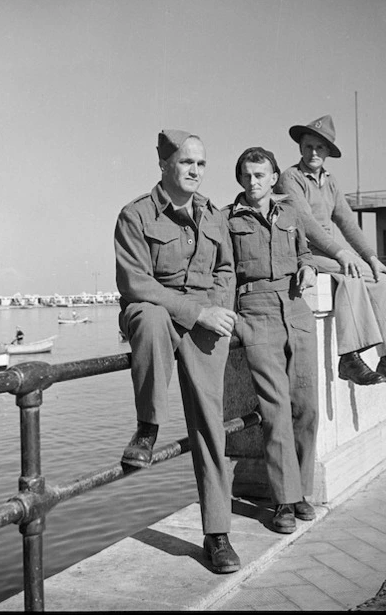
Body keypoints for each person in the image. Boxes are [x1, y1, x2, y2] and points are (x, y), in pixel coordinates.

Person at [114, 128, 240, 574]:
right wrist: (194, 312)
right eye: (187, 162)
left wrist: (218, 311)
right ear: (164, 165)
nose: (195, 171)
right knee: (149, 318)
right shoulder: (136, 215)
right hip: (156, 313)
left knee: (210, 422)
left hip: (204, 319)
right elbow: (137, 283)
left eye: (202, 163)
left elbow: (226, 269)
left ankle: (217, 534)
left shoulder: (212, 214)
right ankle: (147, 427)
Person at [274, 115, 386, 386]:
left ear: (328, 152)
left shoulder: (330, 181)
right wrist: (341, 253)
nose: (314, 152)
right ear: (300, 148)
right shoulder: (290, 178)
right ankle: (350, 358)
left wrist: (372, 258)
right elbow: (304, 222)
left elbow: (347, 222)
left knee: (384, 281)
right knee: (350, 275)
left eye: (320, 148)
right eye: (308, 146)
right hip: (304, 252)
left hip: (329, 252)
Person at [223, 147, 319, 534]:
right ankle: (282, 501)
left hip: (296, 309)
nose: (254, 182)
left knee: (306, 406)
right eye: (247, 175)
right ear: (240, 179)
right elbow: (223, 271)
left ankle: (301, 493)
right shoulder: (226, 220)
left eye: (261, 175)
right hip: (256, 311)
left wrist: (309, 267)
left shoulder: (291, 212)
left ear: (274, 176)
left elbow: (305, 251)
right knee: (276, 410)